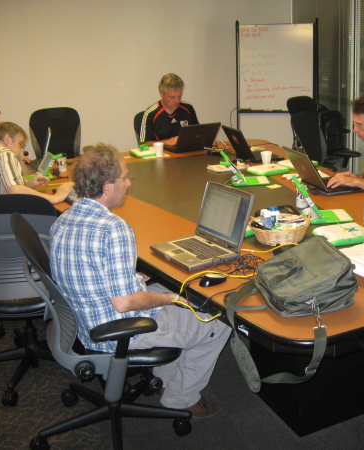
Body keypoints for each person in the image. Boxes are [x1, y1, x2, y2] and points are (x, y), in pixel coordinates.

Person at [49, 144, 230, 418]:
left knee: (167, 289)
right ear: (108, 186)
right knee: (217, 321)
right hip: (117, 331)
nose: (129, 183)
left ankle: (165, 379)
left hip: (80, 322)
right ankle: (182, 398)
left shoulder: (63, 219)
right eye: (125, 177)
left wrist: (135, 277)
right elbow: (124, 303)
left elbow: (93, 269)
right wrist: (165, 299)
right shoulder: (114, 228)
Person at [0, 122, 73, 204]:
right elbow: (14, 190)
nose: (21, 151)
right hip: (0, 223)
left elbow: (0, 188)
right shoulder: (3, 153)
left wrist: (26, 185)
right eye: (20, 144)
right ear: (7, 139)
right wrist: (56, 197)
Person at [138, 73, 199, 146]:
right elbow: (143, 144)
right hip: (161, 155)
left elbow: (198, 134)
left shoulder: (188, 108)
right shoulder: (150, 114)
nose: (176, 101)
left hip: (186, 154)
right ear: (161, 94)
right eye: (172, 97)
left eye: (179, 96)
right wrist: (166, 142)